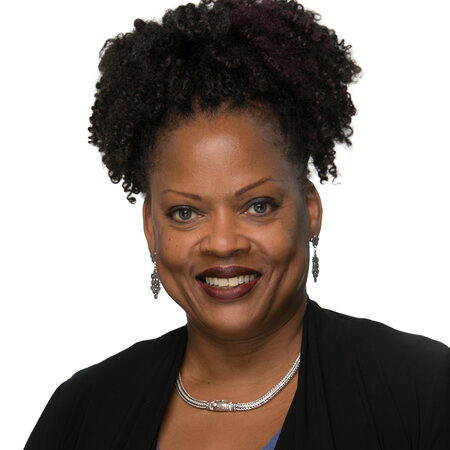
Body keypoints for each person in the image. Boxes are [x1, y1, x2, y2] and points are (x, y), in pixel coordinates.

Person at [24, 0, 449, 449]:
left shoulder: (421, 390)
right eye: (185, 213)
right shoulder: (83, 411)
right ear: (151, 228)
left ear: (310, 209)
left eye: (258, 206)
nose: (223, 243)